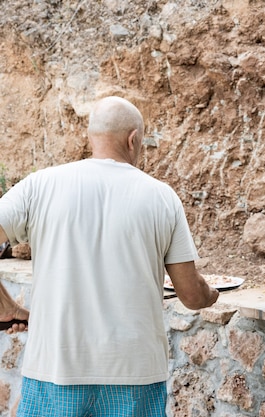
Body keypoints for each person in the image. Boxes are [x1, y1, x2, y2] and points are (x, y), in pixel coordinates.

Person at [0, 96, 219, 416]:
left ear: (91, 137)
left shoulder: (40, 186)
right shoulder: (161, 197)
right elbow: (191, 294)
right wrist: (211, 294)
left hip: (55, 372)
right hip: (135, 376)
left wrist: (6, 306)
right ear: (133, 139)